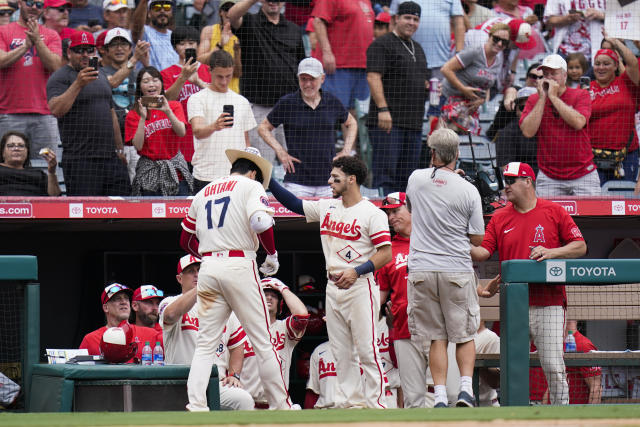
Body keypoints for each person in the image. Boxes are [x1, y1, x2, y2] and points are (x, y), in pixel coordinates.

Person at [269, 156, 392, 408]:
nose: (329, 181)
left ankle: (376, 404)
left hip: (360, 285)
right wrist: (268, 179)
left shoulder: (372, 213)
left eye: (335, 177)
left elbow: (385, 253)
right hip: (333, 287)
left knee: (367, 350)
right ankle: (349, 403)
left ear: (352, 179)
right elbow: (294, 203)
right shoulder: (328, 207)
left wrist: (357, 271)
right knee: (341, 350)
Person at [180, 147, 294, 411]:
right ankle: (280, 406)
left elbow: (184, 239)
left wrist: (209, 256)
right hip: (239, 263)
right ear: (253, 172)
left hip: (208, 266)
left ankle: (196, 405)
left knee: (206, 344)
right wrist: (272, 254)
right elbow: (259, 222)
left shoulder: (204, 191)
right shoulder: (251, 186)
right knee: (263, 341)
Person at [471, 161, 588, 405]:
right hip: (514, 305)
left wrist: (552, 252)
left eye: (512, 181)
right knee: (512, 365)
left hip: (549, 303)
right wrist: (455, 243)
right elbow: (483, 252)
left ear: (528, 182)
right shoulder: (500, 216)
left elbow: (580, 246)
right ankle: (514, 412)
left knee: (553, 365)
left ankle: (561, 416)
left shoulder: (554, 211)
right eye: (505, 182)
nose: (506, 187)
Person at [405, 128, 485, 408]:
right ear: (458, 154)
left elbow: (413, 207)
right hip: (456, 270)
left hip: (422, 271)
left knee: (436, 336)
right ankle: (465, 391)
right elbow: (477, 238)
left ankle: (439, 396)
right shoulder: (469, 190)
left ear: (433, 153)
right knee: (464, 334)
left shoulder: (415, 179)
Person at [158, 254, 255, 410]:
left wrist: (234, 374)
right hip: (180, 381)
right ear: (179, 278)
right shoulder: (170, 302)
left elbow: (237, 345)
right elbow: (170, 315)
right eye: (191, 271)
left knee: (244, 400)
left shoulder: (224, 307)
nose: (197, 274)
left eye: (200, 270)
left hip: (216, 382)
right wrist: (201, 288)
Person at [47, 30, 131, 196]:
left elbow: (111, 113)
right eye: (79, 50)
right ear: (69, 52)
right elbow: (56, 110)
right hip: (80, 159)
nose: (85, 55)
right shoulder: (60, 77)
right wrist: (78, 84)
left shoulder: (101, 75)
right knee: (86, 213)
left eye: (89, 50)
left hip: (110, 157)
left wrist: (120, 149)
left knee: (122, 205)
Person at [257, 57, 356, 198]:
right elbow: (263, 127)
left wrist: (346, 150)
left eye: (312, 79)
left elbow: (352, 123)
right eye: (303, 79)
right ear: (298, 79)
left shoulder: (332, 101)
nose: (308, 84)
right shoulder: (288, 103)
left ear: (322, 78)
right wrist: (280, 151)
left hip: (329, 181)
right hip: (297, 182)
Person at [228, 0, 304, 166]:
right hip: (260, 108)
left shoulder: (294, 29)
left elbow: (301, 66)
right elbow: (232, 15)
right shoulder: (249, 22)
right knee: (262, 164)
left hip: (289, 108)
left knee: (295, 163)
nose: (273, 2)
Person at [366, 1, 428, 194]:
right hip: (389, 122)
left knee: (409, 178)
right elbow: (373, 76)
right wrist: (383, 109)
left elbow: (418, 79)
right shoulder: (381, 44)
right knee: (386, 177)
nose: (411, 22)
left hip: (413, 123)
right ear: (396, 19)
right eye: (407, 18)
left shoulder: (417, 47)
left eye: (415, 19)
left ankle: (403, 220)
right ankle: (382, 221)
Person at [519, 54, 600, 197]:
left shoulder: (581, 94)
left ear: (564, 75)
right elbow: (527, 131)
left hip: (583, 173)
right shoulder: (534, 99)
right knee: (546, 218)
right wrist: (543, 98)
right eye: (545, 74)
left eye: (554, 73)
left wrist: (554, 97)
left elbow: (578, 122)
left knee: (592, 218)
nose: (549, 77)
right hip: (549, 175)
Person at [377, 191, 427, 408]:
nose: (391, 218)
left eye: (396, 211)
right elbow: (379, 295)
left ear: (412, 210)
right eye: (388, 214)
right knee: (413, 400)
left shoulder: (434, 240)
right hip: (403, 329)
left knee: (451, 396)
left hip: (438, 329)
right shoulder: (388, 250)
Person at [0, 0, 62, 161]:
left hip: (45, 115)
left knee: (45, 168)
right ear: (20, 3)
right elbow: (1, 60)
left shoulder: (51, 35)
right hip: (9, 113)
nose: (34, 7)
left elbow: (55, 65)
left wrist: (37, 41)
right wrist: (26, 46)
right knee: (7, 167)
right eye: (30, 2)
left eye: (39, 5)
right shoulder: (3, 31)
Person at [187, 50, 255, 193]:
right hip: (206, 175)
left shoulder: (242, 102)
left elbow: (246, 142)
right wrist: (214, 126)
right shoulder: (198, 99)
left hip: (236, 177)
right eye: (219, 76)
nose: (224, 81)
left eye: (228, 76)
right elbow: (197, 132)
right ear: (210, 71)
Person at [389, 0, 466, 118]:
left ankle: (433, 136)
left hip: (441, 64)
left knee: (436, 109)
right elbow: (393, 21)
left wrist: (459, 54)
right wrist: (393, 51)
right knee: (408, 108)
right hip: (408, 62)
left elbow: (459, 23)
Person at [125, 66, 193, 196]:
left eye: (155, 80)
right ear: (140, 87)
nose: (151, 84)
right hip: (150, 173)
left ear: (162, 84)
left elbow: (181, 132)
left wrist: (167, 111)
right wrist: (143, 118)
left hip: (175, 171)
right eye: (146, 81)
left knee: (179, 213)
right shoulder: (133, 114)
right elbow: (138, 145)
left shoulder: (174, 106)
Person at [240, 277, 308, 406]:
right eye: (264, 294)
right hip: (246, 404)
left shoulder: (284, 327)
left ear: (280, 304)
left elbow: (302, 316)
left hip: (279, 404)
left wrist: (283, 288)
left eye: (274, 296)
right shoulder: (240, 327)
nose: (269, 298)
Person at [440, 22, 511, 135]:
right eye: (496, 39)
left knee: (470, 146)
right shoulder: (475, 51)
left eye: (504, 42)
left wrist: (481, 100)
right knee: (449, 144)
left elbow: (486, 86)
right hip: (449, 100)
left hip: (468, 109)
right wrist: (463, 89)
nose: (500, 43)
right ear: (489, 36)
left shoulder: (497, 61)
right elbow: (446, 69)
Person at [588, 36, 640, 187]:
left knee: (623, 202)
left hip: (625, 156)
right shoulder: (586, 88)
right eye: (597, 64)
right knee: (595, 205)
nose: (601, 67)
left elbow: (633, 63)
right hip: (592, 158)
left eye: (606, 63)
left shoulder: (626, 83)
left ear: (616, 66)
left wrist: (615, 41)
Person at [99, 27, 148, 181]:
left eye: (123, 44)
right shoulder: (98, 73)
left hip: (138, 142)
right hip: (110, 145)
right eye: (114, 45)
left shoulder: (140, 74)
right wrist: (134, 59)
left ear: (130, 48)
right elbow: (111, 83)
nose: (119, 48)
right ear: (106, 50)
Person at [161, 26, 212, 169]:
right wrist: (182, 77)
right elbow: (168, 100)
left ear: (197, 45)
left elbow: (219, 97)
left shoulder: (208, 70)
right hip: (181, 138)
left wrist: (198, 82)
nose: (187, 47)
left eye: (191, 43)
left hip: (206, 136)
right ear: (175, 47)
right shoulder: (166, 73)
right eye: (182, 44)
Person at [311, 0, 374, 111]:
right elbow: (318, 21)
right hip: (338, 66)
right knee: (333, 112)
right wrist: (327, 52)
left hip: (362, 65)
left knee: (356, 113)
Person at [79, 282, 161, 362]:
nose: (124, 302)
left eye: (126, 298)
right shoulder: (90, 339)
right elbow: (79, 371)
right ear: (106, 308)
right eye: (118, 299)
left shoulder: (151, 334)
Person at [486, 62, 541, 141]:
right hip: (498, 139)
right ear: (526, 77)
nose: (537, 80)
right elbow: (510, 92)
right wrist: (509, 100)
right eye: (533, 76)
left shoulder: (544, 101)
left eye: (541, 77)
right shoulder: (516, 90)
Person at [197, 0, 240, 94]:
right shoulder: (209, 30)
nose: (229, 12)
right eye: (226, 9)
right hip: (210, 90)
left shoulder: (244, 35)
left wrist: (237, 51)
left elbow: (238, 73)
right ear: (220, 12)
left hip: (232, 92)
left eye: (233, 9)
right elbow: (200, 60)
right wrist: (220, 44)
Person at [0, 130, 61, 196]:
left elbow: (55, 196)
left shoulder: (39, 174)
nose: (16, 148)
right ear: (3, 152)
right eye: (11, 146)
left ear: (27, 152)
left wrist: (52, 172)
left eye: (21, 146)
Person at [494, 86, 538, 172]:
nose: (526, 111)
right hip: (524, 181)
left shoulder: (551, 130)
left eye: (532, 107)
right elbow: (507, 168)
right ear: (517, 110)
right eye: (522, 107)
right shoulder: (507, 134)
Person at [131, 0, 178, 71]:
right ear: (149, 13)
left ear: (171, 12)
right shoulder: (144, 32)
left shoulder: (176, 36)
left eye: (167, 7)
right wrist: (144, 1)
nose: (162, 11)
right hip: (149, 81)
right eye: (157, 7)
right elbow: (136, 26)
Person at [565, 320, 602, 404]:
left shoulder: (584, 344)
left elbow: (596, 388)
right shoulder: (555, 343)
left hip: (576, 412)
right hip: (552, 410)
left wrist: (590, 416)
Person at [304, 340, 338, 409]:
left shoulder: (361, 350)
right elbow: (313, 392)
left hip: (355, 410)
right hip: (326, 411)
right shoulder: (320, 350)